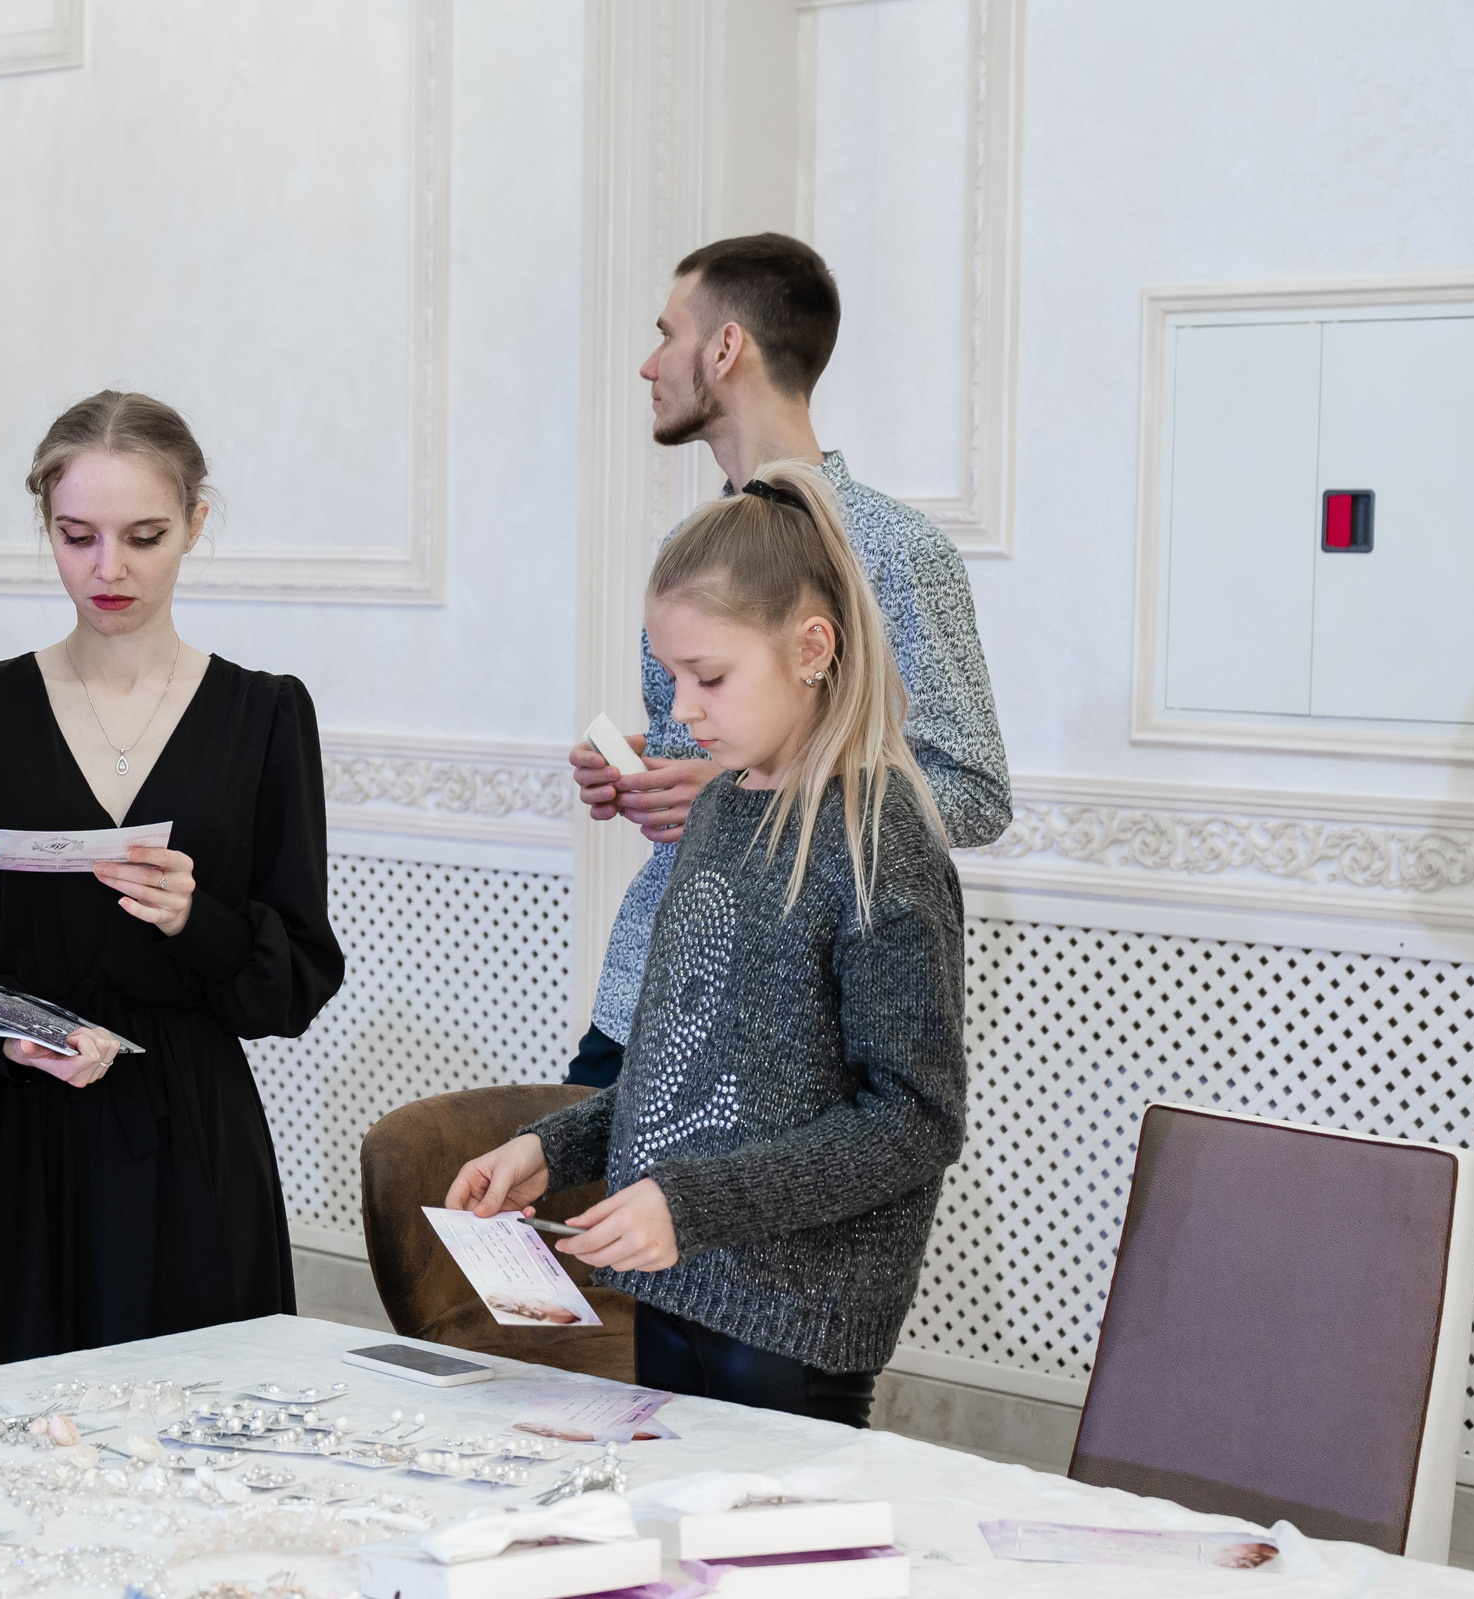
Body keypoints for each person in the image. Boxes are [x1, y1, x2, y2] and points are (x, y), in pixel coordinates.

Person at [449, 459, 966, 1427]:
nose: (681, 709)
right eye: (674, 674)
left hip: (795, 1321)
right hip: (678, 1284)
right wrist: (550, 1148)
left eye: (709, 677)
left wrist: (690, 1206)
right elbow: (678, 1071)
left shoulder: (882, 841)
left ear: (812, 648)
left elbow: (914, 1120)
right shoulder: (721, 809)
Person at [0, 390, 344, 1378]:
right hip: (21, 1138)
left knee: (196, 1430)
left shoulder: (265, 716)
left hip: (193, 1138)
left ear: (195, 524)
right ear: (46, 527)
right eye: (78, 537)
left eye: (144, 537)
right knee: (9, 1437)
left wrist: (198, 920)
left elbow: (296, 981)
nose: (110, 570)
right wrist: (10, 1038)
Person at [566, 233, 1008, 1090]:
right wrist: (649, 772)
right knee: (550, 1176)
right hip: (649, 983)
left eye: (667, 334)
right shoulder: (688, 546)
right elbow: (703, 752)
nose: (649, 365)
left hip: (792, 1018)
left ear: (725, 348)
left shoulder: (900, 550)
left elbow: (975, 793)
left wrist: (757, 798)